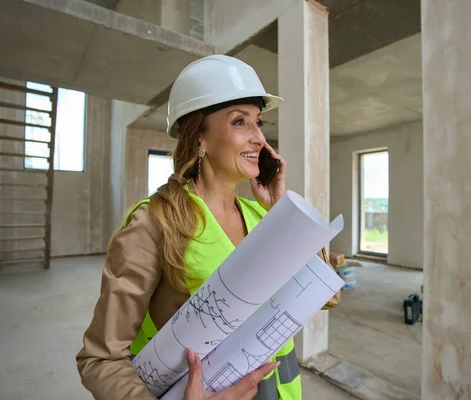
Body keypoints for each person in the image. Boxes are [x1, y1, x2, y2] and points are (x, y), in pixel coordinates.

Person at [76, 55, 341, 400]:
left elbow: (328, 296)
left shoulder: (264, 217)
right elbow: (100, 359)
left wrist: (283, 213)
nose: (260, 138)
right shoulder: (154, 223)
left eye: (259, 123)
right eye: (240, 122)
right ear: (199, 136)